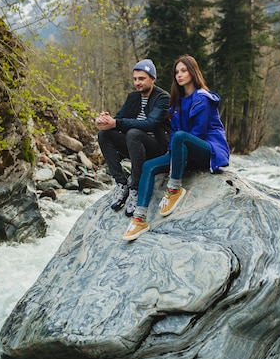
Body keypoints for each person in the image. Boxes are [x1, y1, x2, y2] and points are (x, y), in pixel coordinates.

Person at [122, 55, 230, 241]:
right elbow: (175, 133)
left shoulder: (203, 98)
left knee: (181, 137)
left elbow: (198, 134)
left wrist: (177, 159)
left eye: (184, 70)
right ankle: (139, 219)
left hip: (207, 151)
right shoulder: (178, 101)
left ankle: (174, 190)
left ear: (193, 72)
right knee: (149, 166)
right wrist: (172, 156)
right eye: (176, 72)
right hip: (184, 150)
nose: (179, 75)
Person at [95, 59, 170, 216]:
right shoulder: (133, 97)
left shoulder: (163, 97)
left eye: (141, 79)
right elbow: (118, 119)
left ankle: (135, 188)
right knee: (104, 134)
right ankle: (122, 184)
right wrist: (105, 121)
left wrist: (116, 122)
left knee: (133, 132)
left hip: (155, 148)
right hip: (133, 146)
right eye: (135, 79)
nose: (137, 83)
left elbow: (151, 124)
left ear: (152, 79)